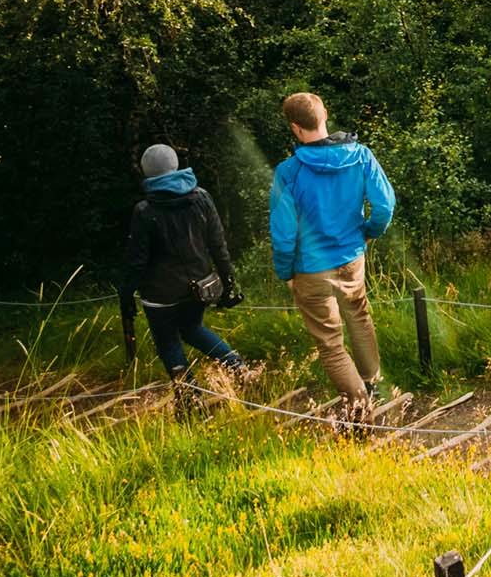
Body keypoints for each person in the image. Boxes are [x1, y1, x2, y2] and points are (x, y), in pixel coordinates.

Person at [270, 91, 396, 420]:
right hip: (351, 259)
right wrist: (368, 231)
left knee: (330, 341)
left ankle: (360, 407)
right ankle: (371, 387)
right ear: (324, 115)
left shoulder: (288, 172)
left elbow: (284, 233)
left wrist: (286, 272)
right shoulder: (361, 156)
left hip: (310, 269)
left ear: (295, 128)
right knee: (360, 319)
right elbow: (384, 205)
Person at [121, 143, 248, 384]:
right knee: (193, 329)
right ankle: (238, 367)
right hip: (198, 286)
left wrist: (126, 294)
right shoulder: (201, 197)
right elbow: (218, 245)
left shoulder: (144, 210)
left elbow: (136, 261)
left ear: (147, 171)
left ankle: (190, 396)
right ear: (174, 165)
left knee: (168, 342)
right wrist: (228, 281)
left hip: (160, 296)